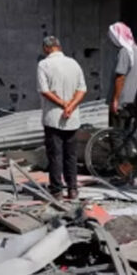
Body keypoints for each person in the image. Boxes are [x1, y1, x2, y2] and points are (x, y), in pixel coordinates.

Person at [37, 35, 87, 200]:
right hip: (72, 118)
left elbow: (45, 91)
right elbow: (82, 89)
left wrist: (63, 104)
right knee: (71, 155)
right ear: (59, 46)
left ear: (46, 48)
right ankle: (72, 189)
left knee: (55, 155)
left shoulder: (44, 65)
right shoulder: (74, 63)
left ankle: (57, 190)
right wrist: (71, 106)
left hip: (53, 117)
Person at [107, 22, 137, 130]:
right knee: (128, 133)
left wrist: (115, 100)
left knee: (116, 134)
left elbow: (120, 77)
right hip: (134, 100)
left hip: (122, 102)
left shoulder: (124, 51)